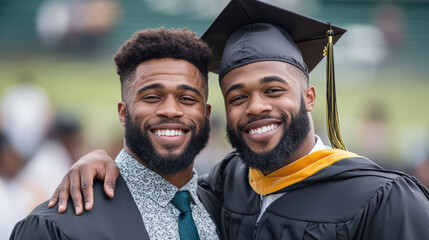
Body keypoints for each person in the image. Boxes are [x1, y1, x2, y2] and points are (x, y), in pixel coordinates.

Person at [46, 0, 429, 239]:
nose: (256, 106)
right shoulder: (229, 183)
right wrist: (102, 162)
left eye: (274, 90)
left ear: (309, 97)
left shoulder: (383, 199)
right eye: (238, 97)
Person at [10, 27, 219, 240]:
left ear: (207, 113)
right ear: (123, 112)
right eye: (152, 97)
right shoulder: (59, 226)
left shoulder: (224, 211)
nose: (171, 110)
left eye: (187, 99)